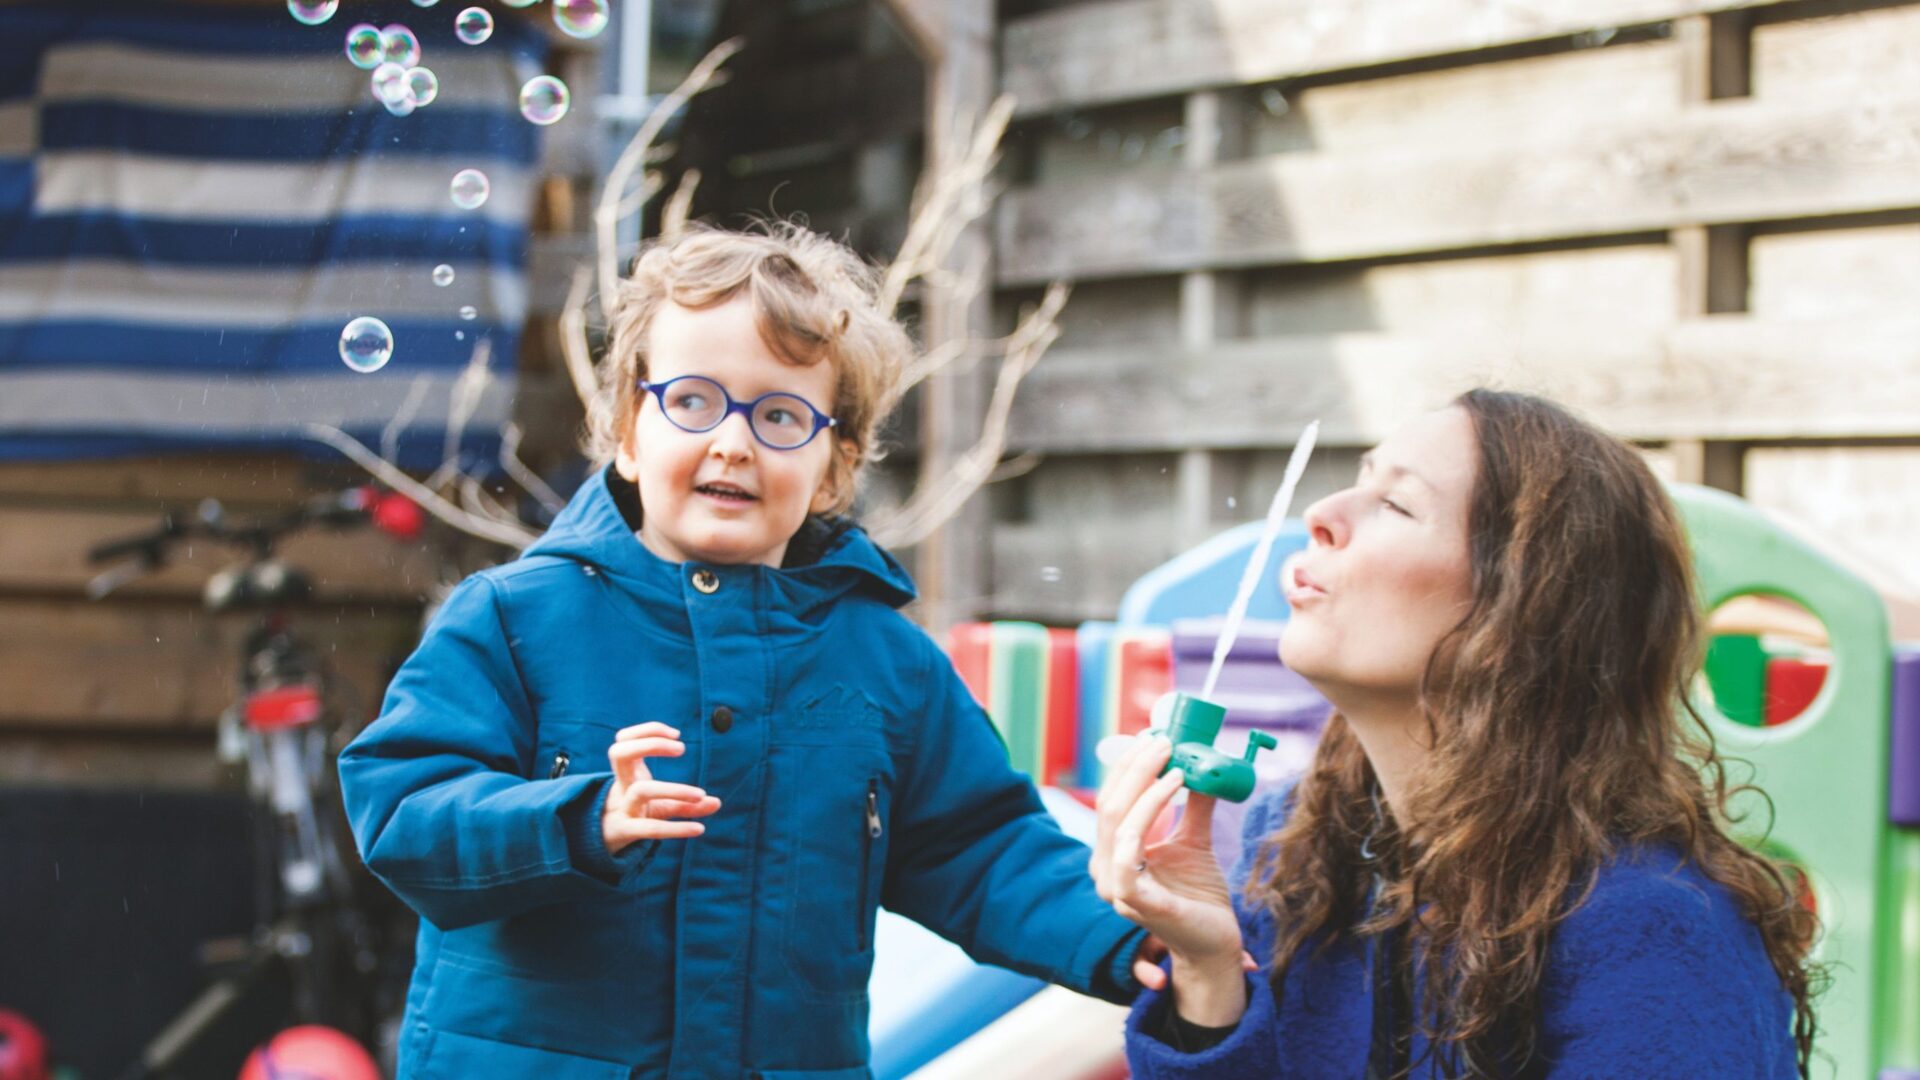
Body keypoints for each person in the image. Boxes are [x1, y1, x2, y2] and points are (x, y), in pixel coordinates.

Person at [338, 223, 1148, 1078]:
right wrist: (579, 820)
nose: (734, 442)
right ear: (628, 428)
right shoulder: (513, 619)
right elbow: (405, 813)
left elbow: (980, 848)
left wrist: (1124, 937)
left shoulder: (885, 662)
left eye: (780, 416)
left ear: (835, 467)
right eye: (692, 401)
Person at [1094, 391, 1821, 1079]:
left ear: (1522, 609)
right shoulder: (1296, 856)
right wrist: (1207, 973)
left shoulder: (1653, 933)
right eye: (1356, 481)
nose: (1319, 513)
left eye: (1396, 504)